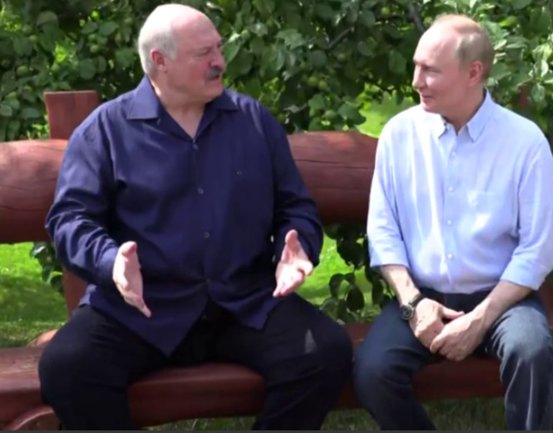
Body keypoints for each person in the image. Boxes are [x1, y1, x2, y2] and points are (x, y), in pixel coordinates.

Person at [39, 3, 352, 430]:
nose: (220, 61)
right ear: (160, 61)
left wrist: (296, 247)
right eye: (204, 53)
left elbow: (295, 207)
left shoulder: (253, 122)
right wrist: (111, 262)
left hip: (243, 300)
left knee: (325, 352)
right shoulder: (105, 130)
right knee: (68, 367)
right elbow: (70, 220)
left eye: (218, 48)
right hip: (143, 307)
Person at [354, 14, 553, 430]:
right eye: (416, 66)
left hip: (503, 298)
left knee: (532, 353)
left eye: (430, 70)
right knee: (373, 372)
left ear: (473, 72)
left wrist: (480, 319)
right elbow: (383, 231)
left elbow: (537, 250)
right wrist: (413, 303)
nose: (416, 81)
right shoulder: (398, 135)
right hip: (422, 296)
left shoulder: (524, 143)